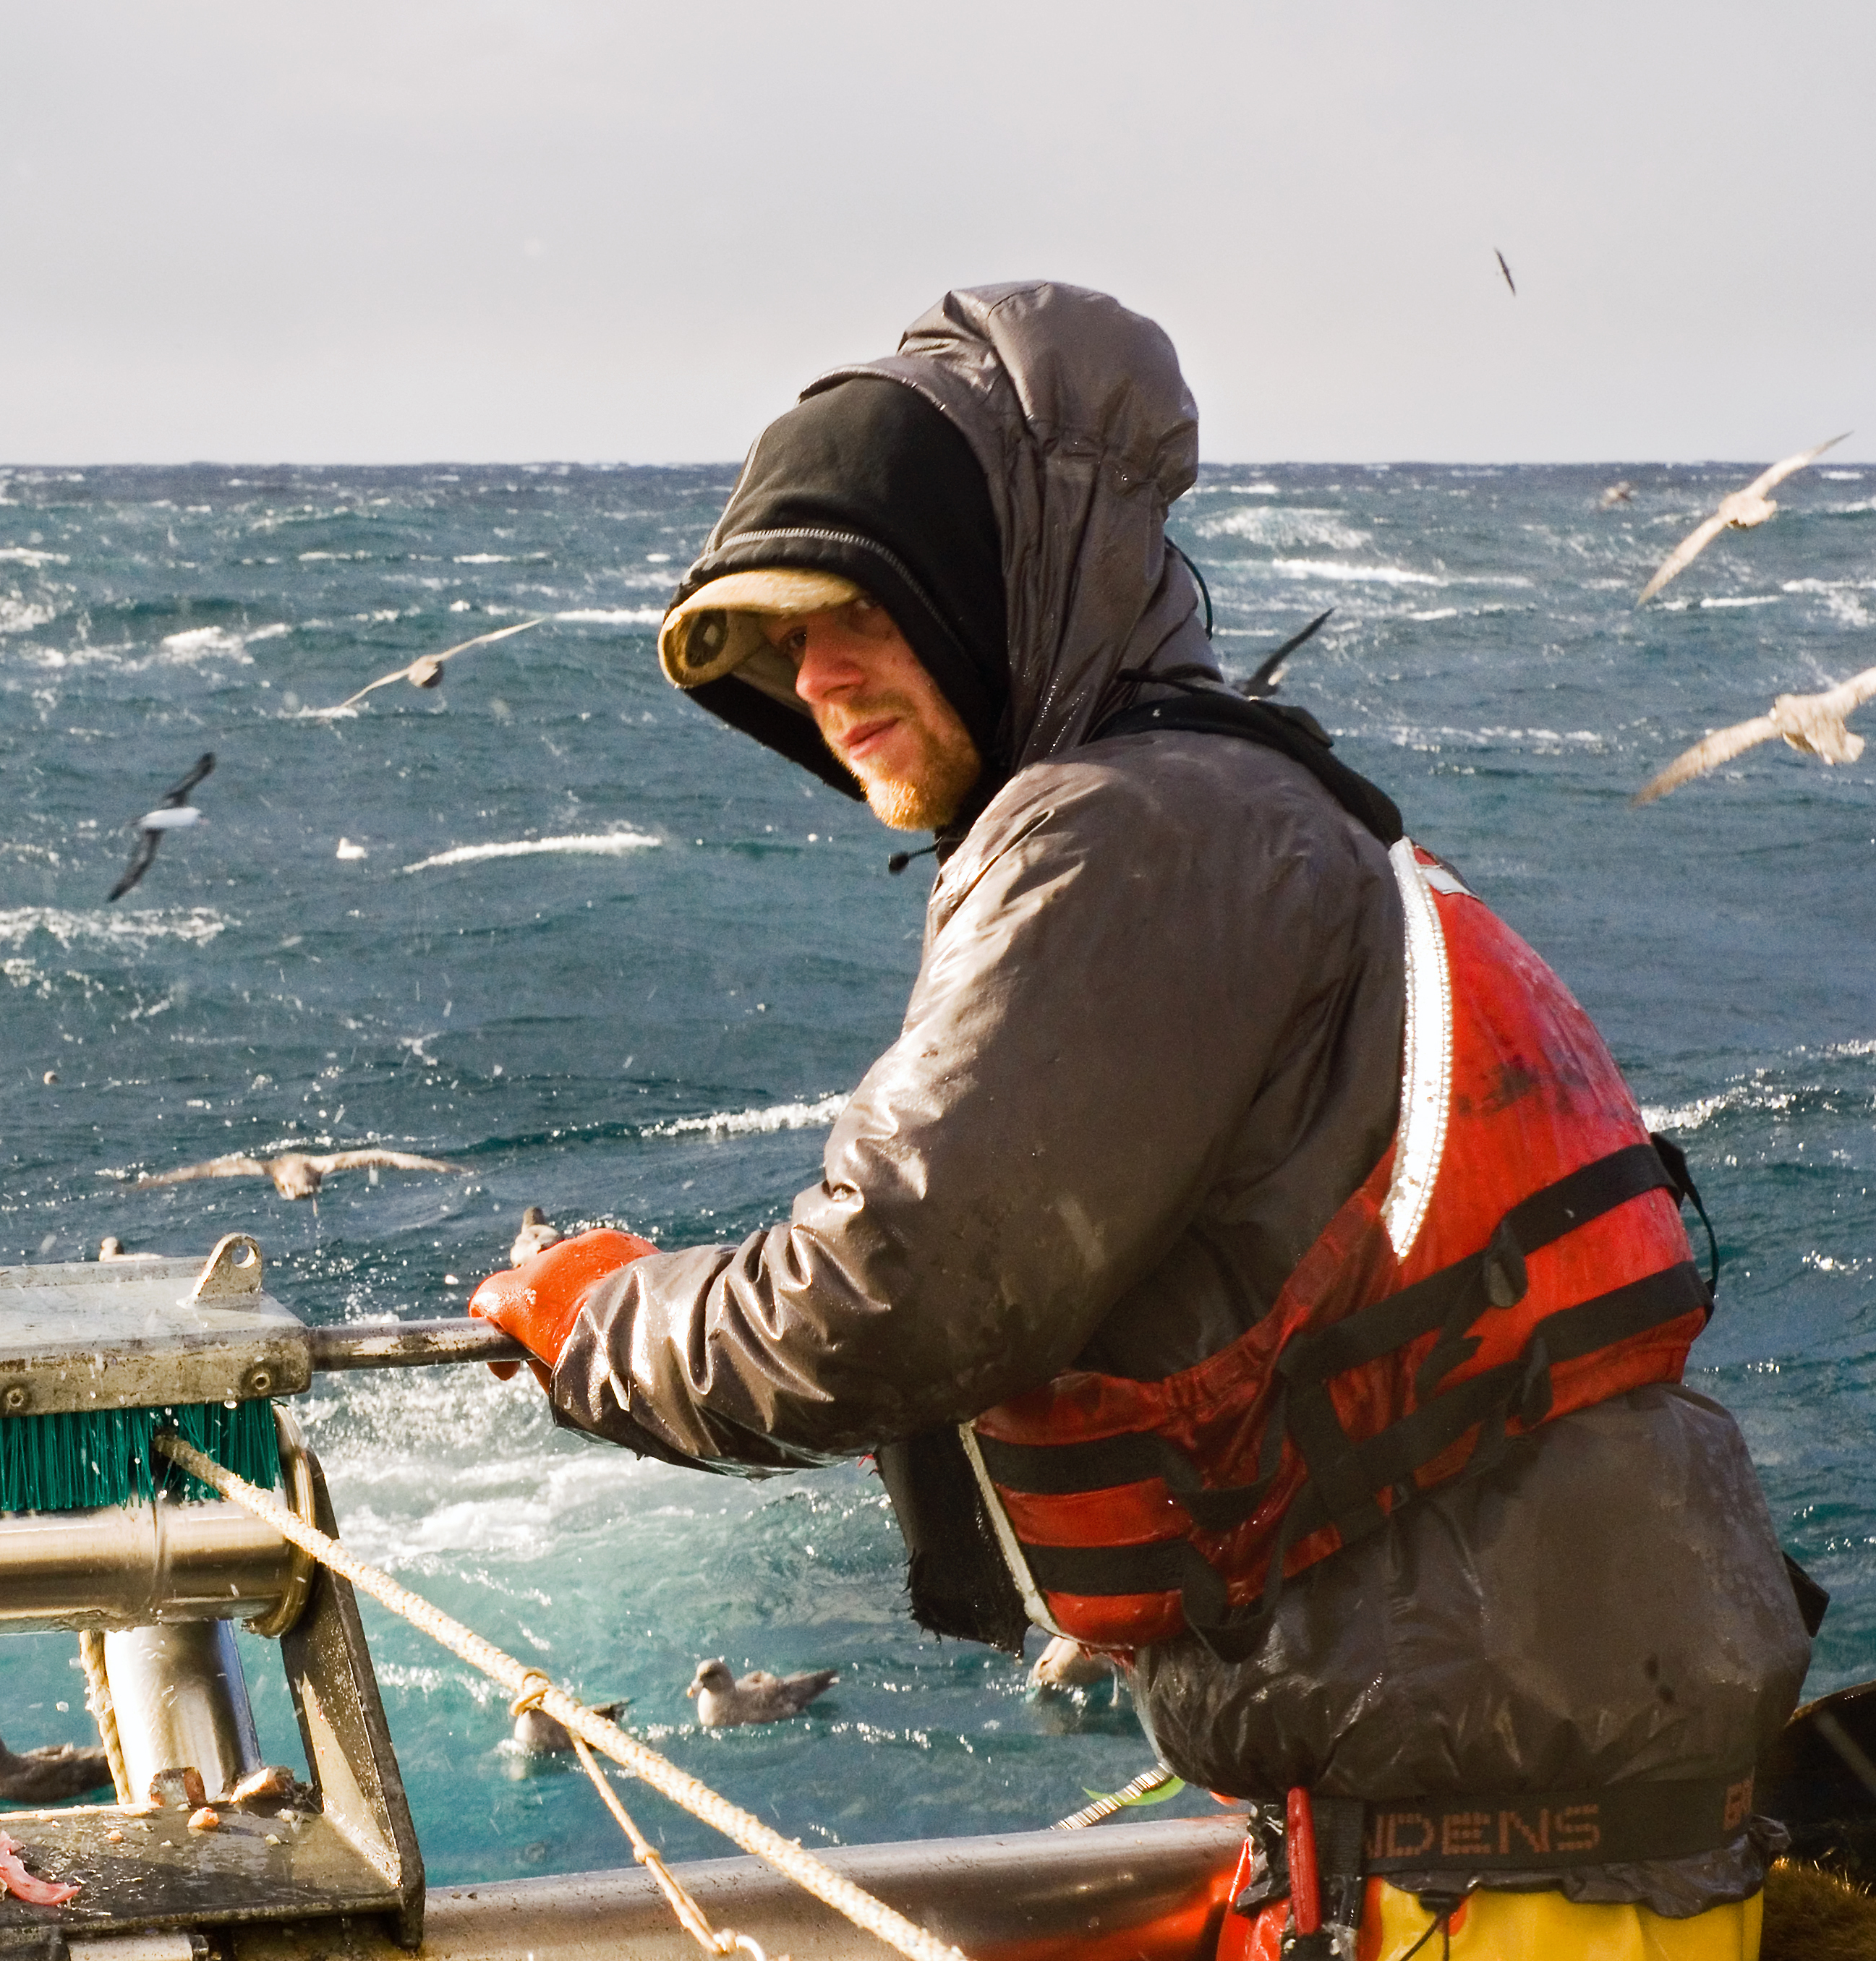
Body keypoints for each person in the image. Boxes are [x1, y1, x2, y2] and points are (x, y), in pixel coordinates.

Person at [467, 282, 1809, 1960]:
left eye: (847, 613)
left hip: (1483, 1871)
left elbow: (893, 1292)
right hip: (1527, 1822)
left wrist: (594, 1318)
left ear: (985, 590)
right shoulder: (1232, 797)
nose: (812, 676)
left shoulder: (1129, 832)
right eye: (770, 647)